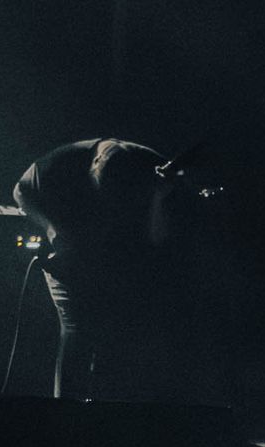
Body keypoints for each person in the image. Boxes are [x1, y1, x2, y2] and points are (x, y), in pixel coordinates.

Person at [12, 138, 215, 402]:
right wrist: (55, 234)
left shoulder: (151, 169)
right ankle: (67, 409)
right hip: (68, 240)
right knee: (76, 327)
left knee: (123, 329)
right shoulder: (67, 164)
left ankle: (113, 406)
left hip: (115, 247)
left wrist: (158, 198)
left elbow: (156, 237)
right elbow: (21, 192)